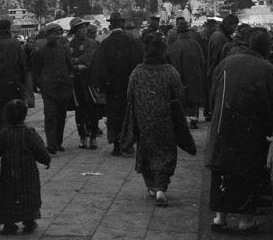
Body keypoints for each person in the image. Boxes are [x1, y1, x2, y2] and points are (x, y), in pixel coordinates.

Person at [205, 27, 273, 234]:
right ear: (267, 49)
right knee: (247, 173)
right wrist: (270, 129)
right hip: (249, 129)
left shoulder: (227, 62)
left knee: (221, 170)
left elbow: (213, 92)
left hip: (222, 124)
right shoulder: (267, 68)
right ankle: (245, 220)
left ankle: (219, 217)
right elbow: (272, 104)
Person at [125, 33, 197, 207]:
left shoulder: (137, 72)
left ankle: (152, 186)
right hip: (166, 121)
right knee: (166, 153)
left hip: (144, 122)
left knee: (147, 153)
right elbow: (179, 93)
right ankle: (160, 189)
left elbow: (129, 95)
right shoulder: (170, 72)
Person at [0, 98, 50, 236]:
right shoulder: (30, 133)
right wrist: (46, 159)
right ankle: (29, 220)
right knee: (29, 195)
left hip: (9, 172)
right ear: (24, 116)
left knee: (8, 196)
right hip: (28, 173)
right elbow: (40, 150)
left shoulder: (3, 134)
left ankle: (9, 223)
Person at [90, 14, 143, 156]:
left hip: (112, 87)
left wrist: (101, 86)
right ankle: (128, 143)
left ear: (111, 26)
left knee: (113, 115)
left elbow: (99, 67)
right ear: (122, 25)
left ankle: (117, 144)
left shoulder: (105, 44)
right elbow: (139, 64)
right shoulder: (132, 42)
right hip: (128, 85)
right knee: (128, 114)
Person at [29, 24, 75, 153]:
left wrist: (69, 79)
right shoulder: (41, 52)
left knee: (61, 116)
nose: (57, 37)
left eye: (58, 34)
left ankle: (58, 142)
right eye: (54, 34)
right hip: (49, 90)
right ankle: (51, 143)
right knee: (50, 115)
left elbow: (69, 66)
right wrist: (40, 84)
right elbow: (36, 71)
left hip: (63, 88)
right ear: (48, 35)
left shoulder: (63, 50)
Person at [166, 18, 210, 126]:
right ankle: (194, 119)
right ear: (188, 32)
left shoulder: (175, 46)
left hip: (181, 77)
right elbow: (203, 62)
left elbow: (173, 63)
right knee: (193, 99)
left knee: (182, 98)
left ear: (178, 33)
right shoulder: (195, 44)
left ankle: (183, 120)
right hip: (195, 77)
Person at [69, 23, 102, 149]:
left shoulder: (91, 43)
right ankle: (82, 136)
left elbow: (90, 57)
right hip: (76, 81)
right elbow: (67, 58)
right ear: (75, 31)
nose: (84, 31)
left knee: (92, 108)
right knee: (79, 109)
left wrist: (76, 62)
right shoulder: (70, 45)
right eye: (80, 29)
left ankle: (93, 137)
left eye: (84, 28)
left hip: (90, 81)